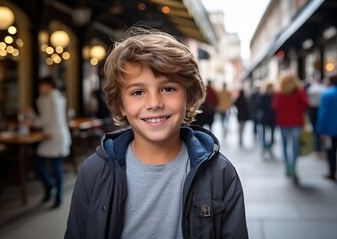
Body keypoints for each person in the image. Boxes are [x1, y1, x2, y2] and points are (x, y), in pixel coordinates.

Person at [64, 27, 248, 239]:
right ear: (121, 104)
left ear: (188, 97)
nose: (153, 103)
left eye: (168, 88)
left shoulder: (220, 173)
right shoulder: (94, 172)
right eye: (138, 92)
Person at [26, 76, 71, 209]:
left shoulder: (52, 98)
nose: (40, 88)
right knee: (39, 165)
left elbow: (45, 119)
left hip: (55, 136)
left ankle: (58, 196)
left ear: (49, 86)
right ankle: (51, 187)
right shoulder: (50, 98)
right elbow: (46, 119)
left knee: (55, 167)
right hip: (49, 136)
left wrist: (30, 119)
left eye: (42, 85)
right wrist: (33, 118)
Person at [272, 72, 308, 184]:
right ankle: (294, 166)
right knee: (295, 145)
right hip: (296, 121)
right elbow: (305, 105)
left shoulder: (279, 93)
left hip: (283, 122)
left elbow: (275, 106)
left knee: (285, 144)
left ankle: (287, 166)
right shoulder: (300, 92)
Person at [316, 75, 337, 181]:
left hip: (331, 130)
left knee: (331, 151)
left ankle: (332, 172)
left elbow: (324, 115)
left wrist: (321, 130)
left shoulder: (327, 94)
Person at [306, 78, 326, 157]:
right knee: (318, 129)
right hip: (318, 109)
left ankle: (318, 147)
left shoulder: (311, 90)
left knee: (316, 130)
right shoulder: (322, 89)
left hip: (313, 110)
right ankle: (319, 147)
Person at [257, 81, 276, 158]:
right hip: (272, 117)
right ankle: (269, 147)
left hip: (265, 117)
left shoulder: (263, 96)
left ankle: (265, 147)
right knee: (271, 133)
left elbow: (260, 106)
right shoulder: (274, 96)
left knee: (265, 133)